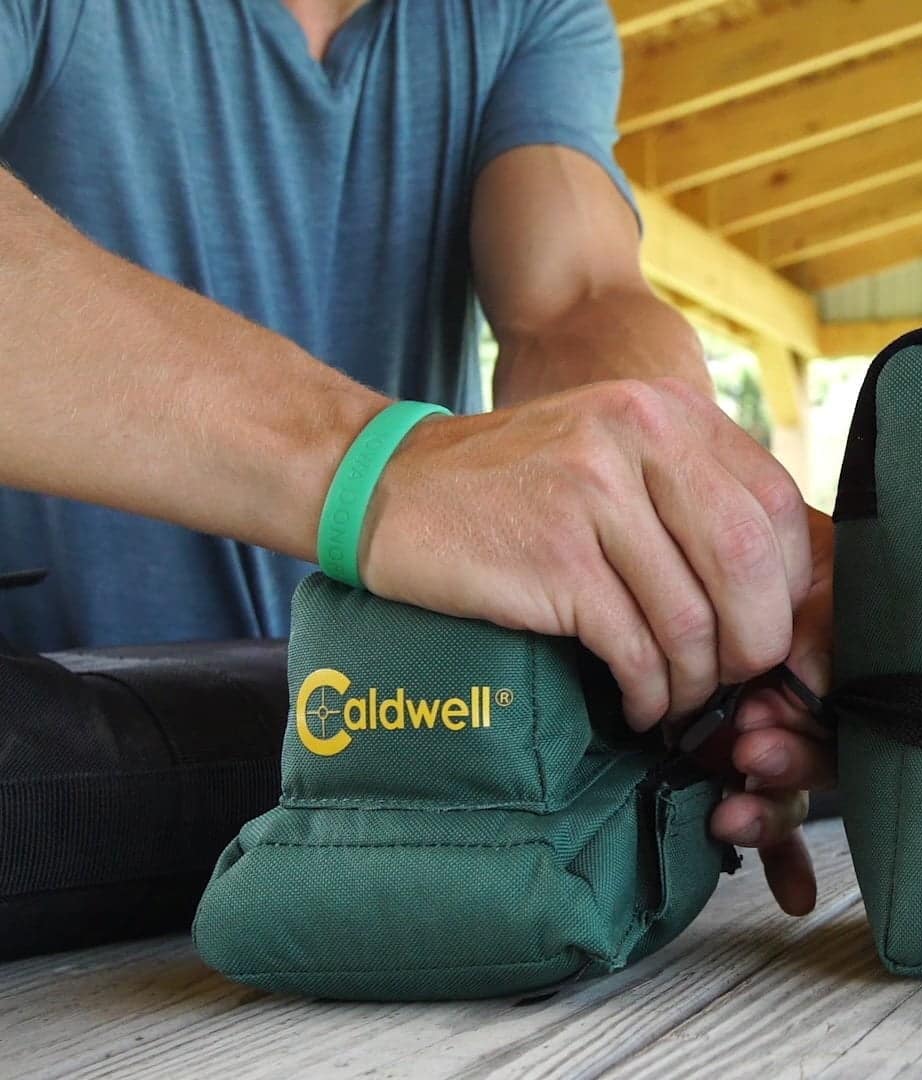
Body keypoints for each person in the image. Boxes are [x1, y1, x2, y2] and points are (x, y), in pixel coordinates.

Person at [0, 0, 832, 915]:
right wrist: (379, 466)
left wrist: (694, 541)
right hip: (53, 795)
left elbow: (578, 299)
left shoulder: (525, 14)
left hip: (383, 790)